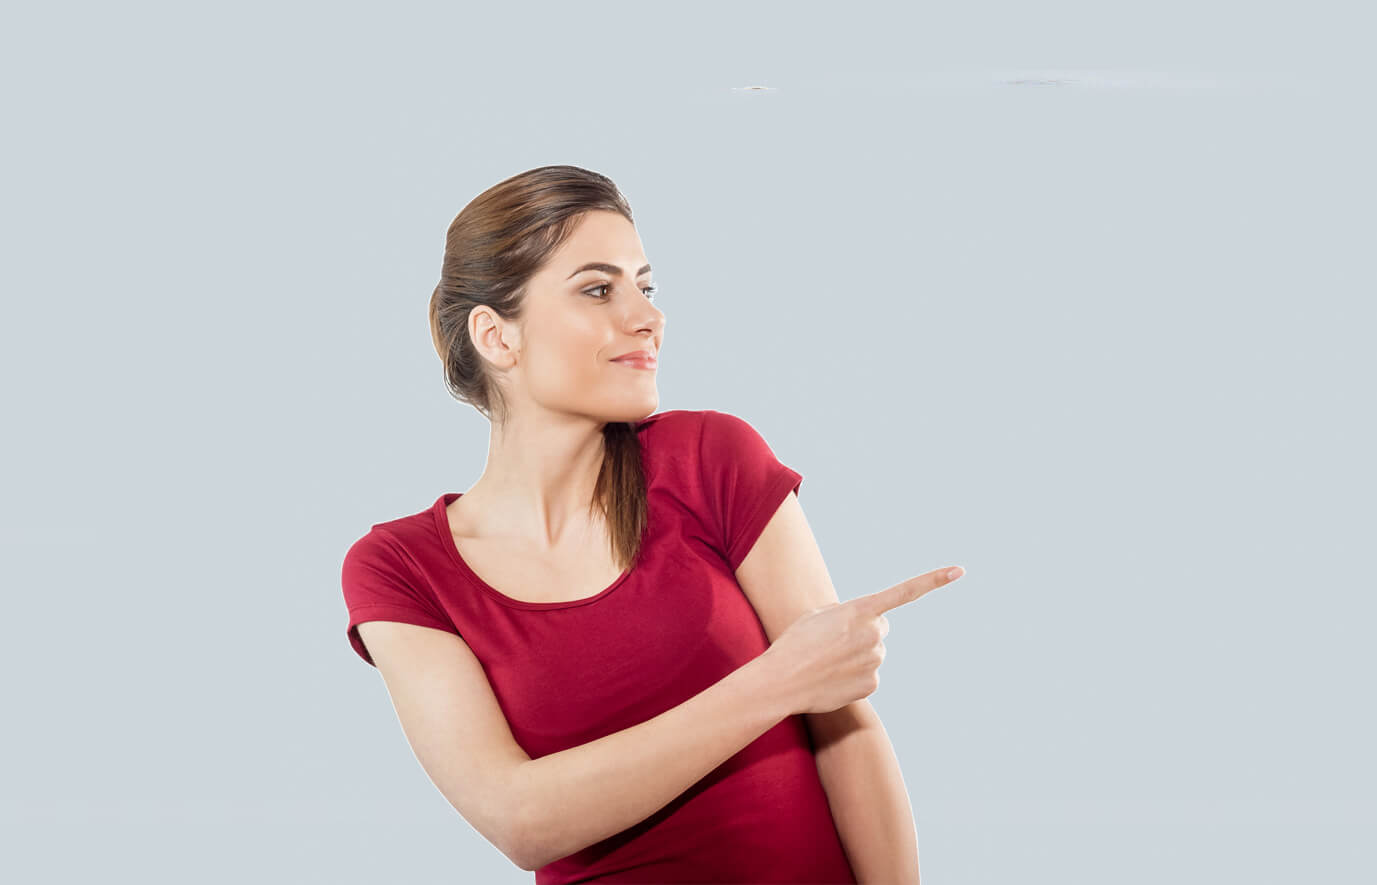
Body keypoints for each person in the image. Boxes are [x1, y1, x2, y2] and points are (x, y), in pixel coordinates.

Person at [339, 165, 963, 883]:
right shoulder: (401, 568)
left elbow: (845, 729)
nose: (647, 317)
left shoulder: (712, 459)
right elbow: (521, 819)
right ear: (497, 336)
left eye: (647, 286)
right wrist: (780, 681)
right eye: (599, 289)